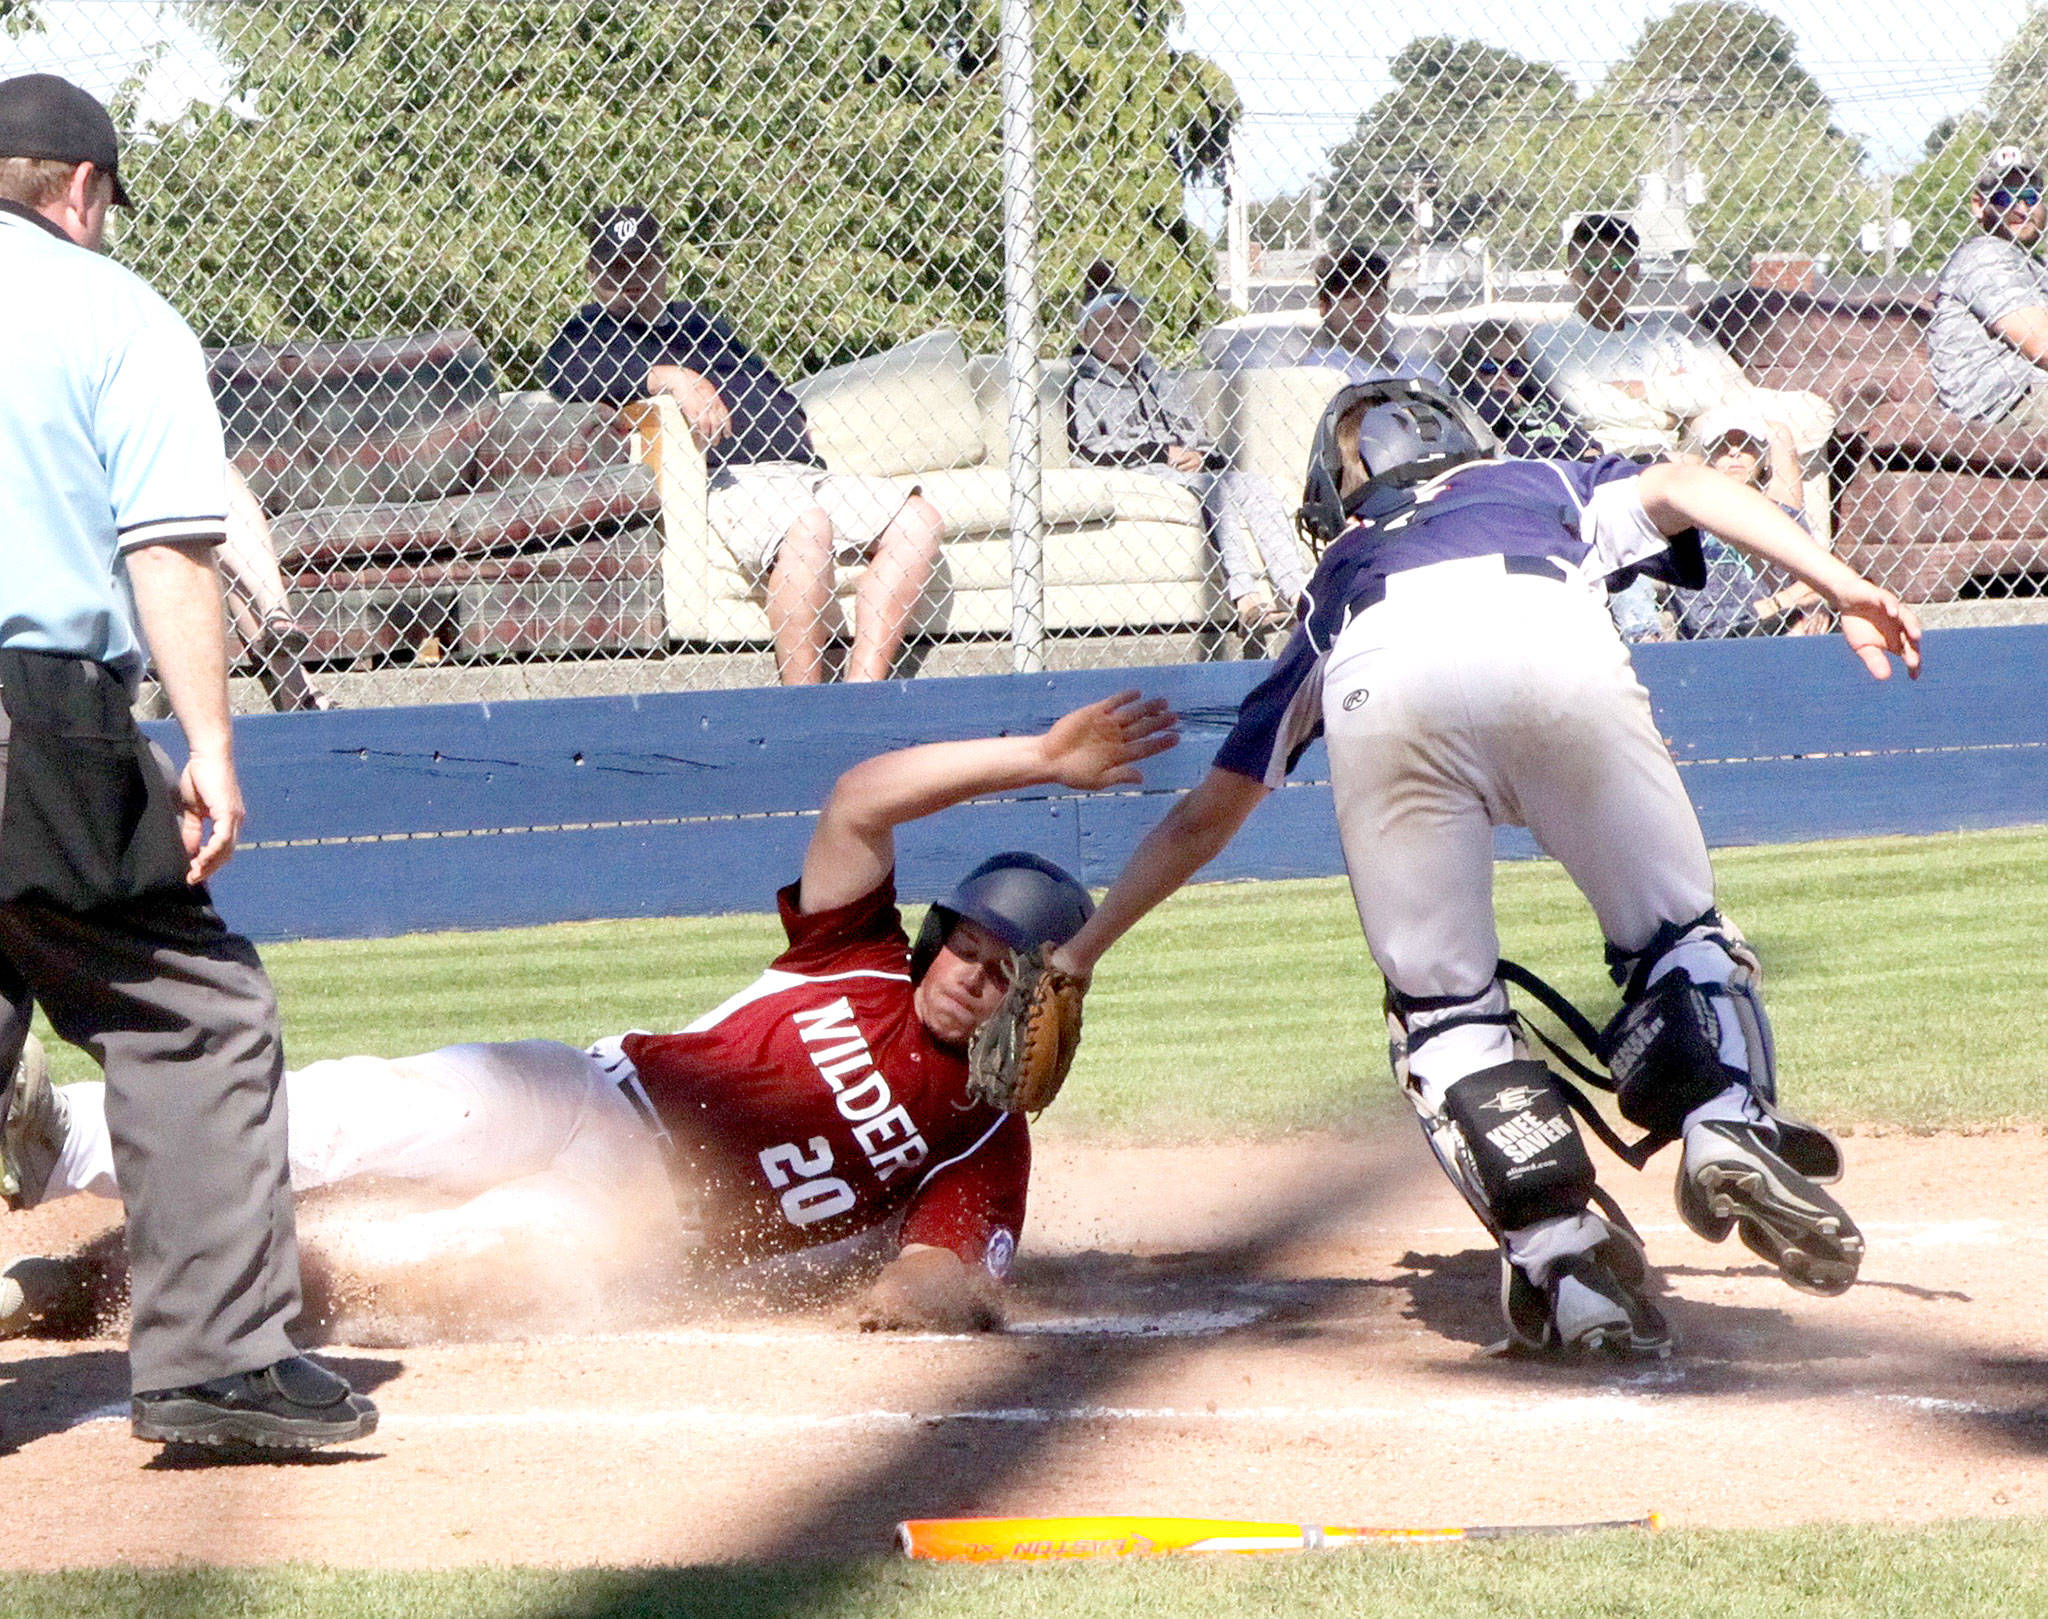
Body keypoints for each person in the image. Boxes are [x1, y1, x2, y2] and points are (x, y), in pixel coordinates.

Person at [1044, 377, 1921, 1359]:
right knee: (1677, 937)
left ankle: (1559, 1251)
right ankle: (1720, 1119)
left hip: (1381, 662)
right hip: (1541, 630)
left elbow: (1203, 819)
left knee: (1443, 1012)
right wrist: (1837, 579)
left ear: (1336, 497)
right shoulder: (1536, 475)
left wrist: (1079, 950)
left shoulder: (1336, 575)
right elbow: (1688, 481)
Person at [3, 693, 1179, 1337]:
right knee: (368, 1114)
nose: (968, 973)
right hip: (581, 1088)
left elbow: (939, 1275)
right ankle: (61, 1137)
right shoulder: (856, 960)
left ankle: (87, 1285)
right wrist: (1034, 753)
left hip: (637, 1220)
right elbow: (859, 803)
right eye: (962, 942)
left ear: (1036, 999)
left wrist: (923, 1298)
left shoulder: (981, 1135)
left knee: (433, 1262)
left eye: (998, 967)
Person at [0, 73, 375, 1449]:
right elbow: (171, 540)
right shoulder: (116, 311)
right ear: (82, 193)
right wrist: (210, 743)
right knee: (193, 1012)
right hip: (28, 706)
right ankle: (216, 1360)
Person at [545, 205, 945, 685]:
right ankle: (806, 706)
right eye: (616, 267)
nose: (632, 277)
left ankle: (863, 689)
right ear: (593, 274)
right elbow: (566, 374)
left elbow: (764, 382)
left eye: (643, 262)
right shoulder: (587, 333)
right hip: (732, 477)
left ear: (663, 266)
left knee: (919, 520)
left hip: (801, 469)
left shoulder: (701, 323)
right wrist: (667, 377)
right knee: (809, 528)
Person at [1065, 263, 1307, 633]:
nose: (1118, 337)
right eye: (1105, 329)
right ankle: (1246, 598)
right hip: (1135, 469)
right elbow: (1088, 446)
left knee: (1254, 485)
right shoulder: (1082, 382)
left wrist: (1202, 455)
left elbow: (1194, 429)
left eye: (1128, 326)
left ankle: (1296, 592)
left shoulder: (1157, 376)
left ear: (1142, 331)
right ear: (1086, 335)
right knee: (1213, 493)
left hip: (1184, 467)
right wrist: (1159, 453)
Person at [1524, 215, 1831, 462]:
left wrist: (1645, 389)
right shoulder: (1551, 338)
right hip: (1606, 454)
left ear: (1635, 271)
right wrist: (1669, 416)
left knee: (1781, 431)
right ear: (1570, 273)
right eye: (1591, 267)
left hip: (1681, 448)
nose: (1605, 278)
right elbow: (1591, 407)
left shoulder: (1660, 333)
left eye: (1617, 266)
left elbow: (1706, 393)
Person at [1927, 146, 2048, 431]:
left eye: (2031, 196)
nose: (2021, 209)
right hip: (2004, 402)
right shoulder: (1986, 255)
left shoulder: (2034, 263)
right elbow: (2041, 346)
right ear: (1979, 206)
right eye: (2006, 197)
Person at [1208, 248, 1445, 384]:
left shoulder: (1422, 367)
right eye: (1350, 296)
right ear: (1324, 307)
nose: (1365, 306)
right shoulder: (1324, 370)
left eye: (1373, 294)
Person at [1445, 319, 1600, 462]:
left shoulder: (1532, 393)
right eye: (1490, 366)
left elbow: (1564, 423)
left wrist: (1589, 445)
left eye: (1514, 367)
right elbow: (1486, 416)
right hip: (1531, 463)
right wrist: (1504, 397)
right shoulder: (1471, 395)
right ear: (1471, 365)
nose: (1502, 374)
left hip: (1567, 455)